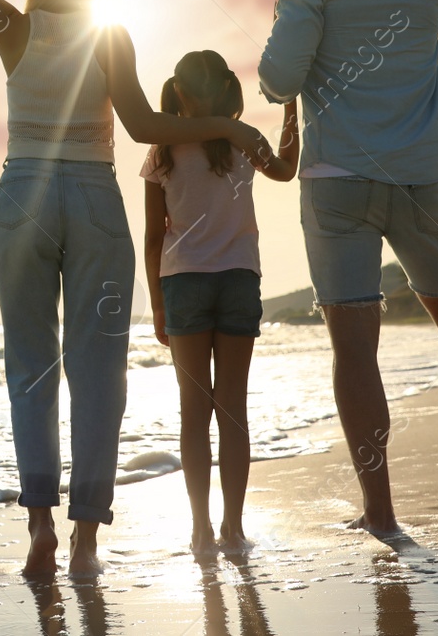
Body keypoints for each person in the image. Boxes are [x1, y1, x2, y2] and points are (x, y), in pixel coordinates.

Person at [0, 0, 275, 577]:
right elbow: (146, 124)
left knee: (29, 367)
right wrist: (228, 126)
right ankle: (86, 540)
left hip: (21, 196)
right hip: (92, 196)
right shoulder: (108, 34)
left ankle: (40, 525)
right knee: (98, 372)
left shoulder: (14, 27)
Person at [257, 0, 438, 538]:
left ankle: (381, 513)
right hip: (420, 175)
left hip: (337, 180)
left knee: (354, 348)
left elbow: (276, 81)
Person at [142, 51, 298, 556]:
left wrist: (157, 306)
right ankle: (232, 528)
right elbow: (287, 169)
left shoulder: (163, 148)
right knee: (232, 410)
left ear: (179, 92)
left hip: (183, 282)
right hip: (236, 280)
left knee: (194, 413)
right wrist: (292, 108)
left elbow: (151, 236)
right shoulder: (244, 138)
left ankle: (201, 531)